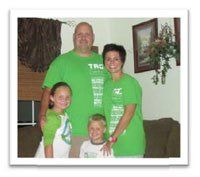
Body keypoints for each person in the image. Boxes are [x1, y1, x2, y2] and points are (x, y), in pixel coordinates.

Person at [38, 22, 109, 157]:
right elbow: (47, 91)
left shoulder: (104, 61)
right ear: (73, 37)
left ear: (93, 37)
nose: (83, 37)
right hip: (72, 134)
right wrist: (42, 116)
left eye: (87, 34)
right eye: (79, 34)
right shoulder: (61, 62)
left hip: (101, 132)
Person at [102, 44, 146, 157]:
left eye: (116, 59)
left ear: (122, 61)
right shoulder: (106, 84)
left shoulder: (130, 83)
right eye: (108, 59)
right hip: (111, 146)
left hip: (130, 145)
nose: (111, 62)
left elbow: (128, 114)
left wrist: (112, 139)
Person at [35, 82, 72, 158]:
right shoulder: (52, 118)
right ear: (52, 98)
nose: (64, 100)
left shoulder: (65, 115)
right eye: (60, 97)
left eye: (67, 97)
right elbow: (48, 144)